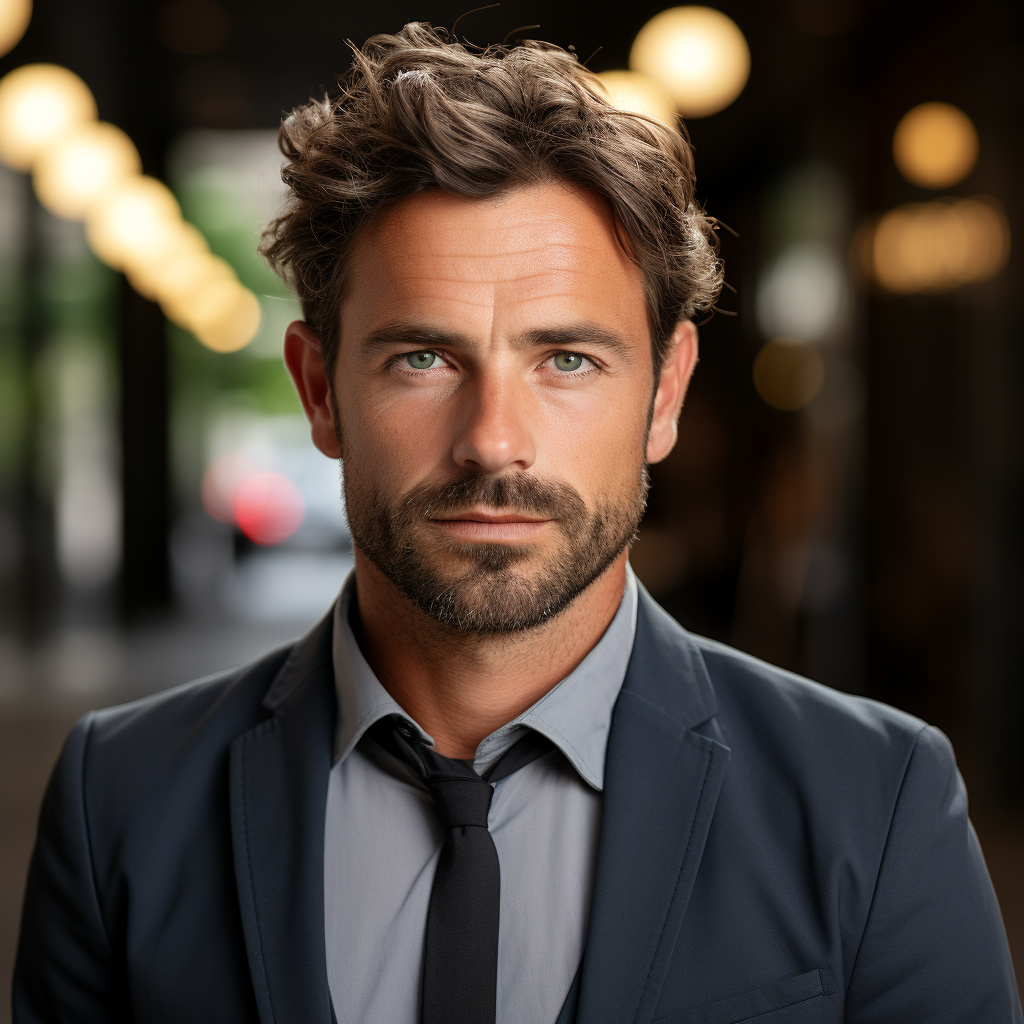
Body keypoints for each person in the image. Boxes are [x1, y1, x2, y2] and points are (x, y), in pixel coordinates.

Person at [13, 22, 1021, 1024]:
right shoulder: (121, 800)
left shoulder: (873, 800)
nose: (493, 443)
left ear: (664, 393)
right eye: (424, 358)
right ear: (319, 392)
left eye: (567, 360)